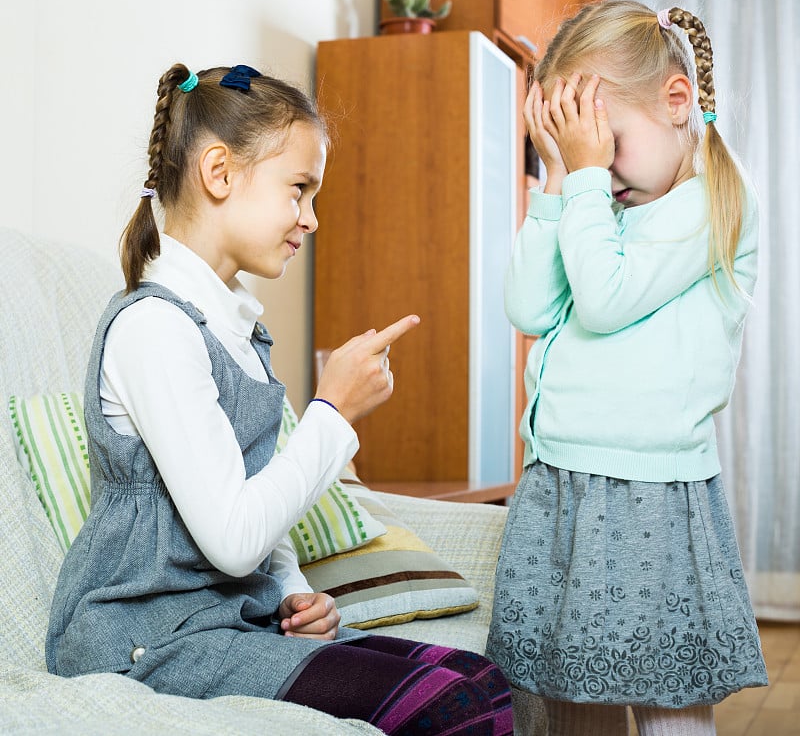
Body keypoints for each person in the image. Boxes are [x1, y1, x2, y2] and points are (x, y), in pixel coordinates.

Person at [46, 63, 513, 735]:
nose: (311, 219)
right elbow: (234, 539)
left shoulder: (237, 331)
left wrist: (293, 589)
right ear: (219, 172)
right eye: (299, 190)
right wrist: (332, 413)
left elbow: (252, 502)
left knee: (481, 680)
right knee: (449, 704)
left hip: (225, 623)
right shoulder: (156, 328)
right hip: (144, 644)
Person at [486, 0, 767, 736]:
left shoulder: (709, 204)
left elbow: (604, 301)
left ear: (678, 102)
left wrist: (580, 183)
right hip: (564, 481)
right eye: (583, 151)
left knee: (668, 698)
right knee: (574, 698)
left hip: (650, 496)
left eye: (606, 144)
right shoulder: (594, 203)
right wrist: (557, 177)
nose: (597, 171)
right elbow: (528, 306)